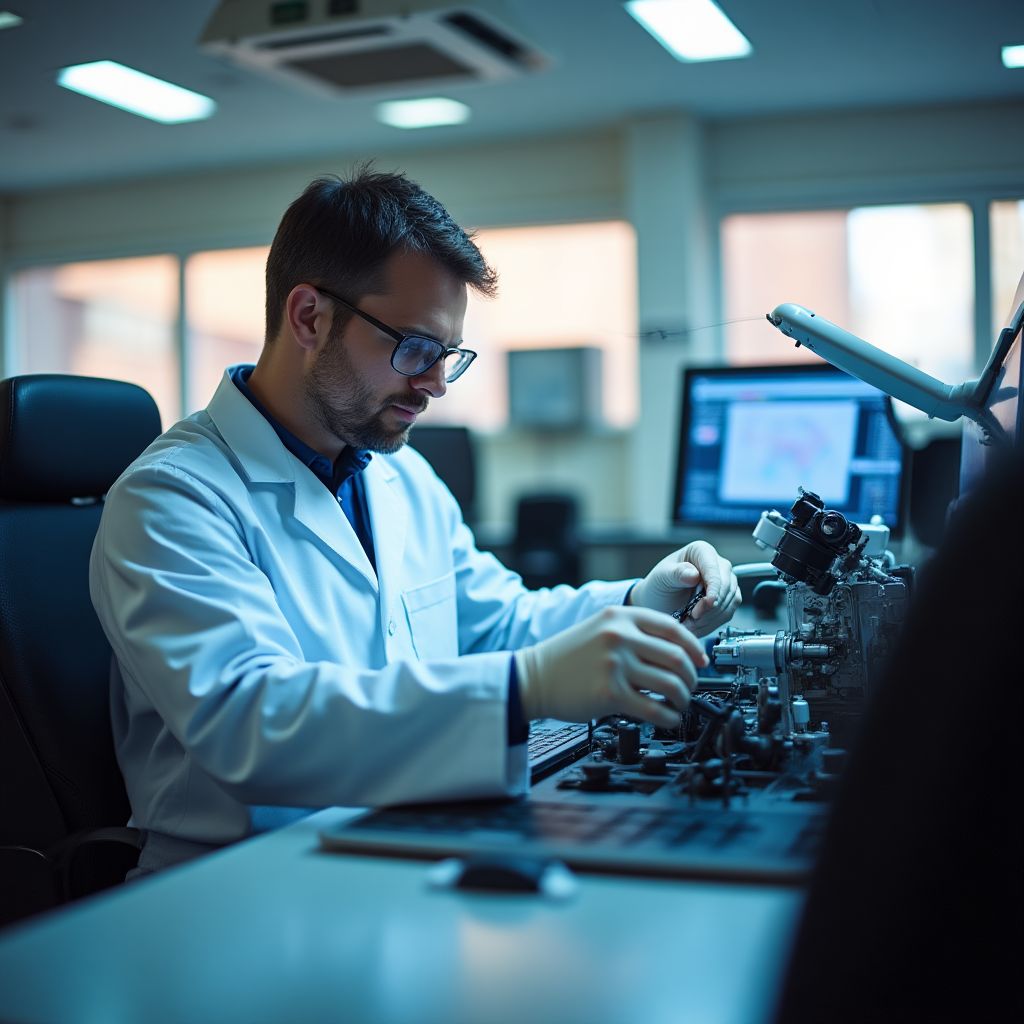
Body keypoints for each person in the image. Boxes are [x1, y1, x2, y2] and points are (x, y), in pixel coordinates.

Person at [89, 167, 741, 875]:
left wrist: (641, 601)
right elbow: (253, 721)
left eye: (446, 356)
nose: (433, 384)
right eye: (414, 349)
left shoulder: (399, 475)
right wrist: (525, 688)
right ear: (309, 317)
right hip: (235, 878)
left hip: (396, 839)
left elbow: (494, 623)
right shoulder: (172, 498)